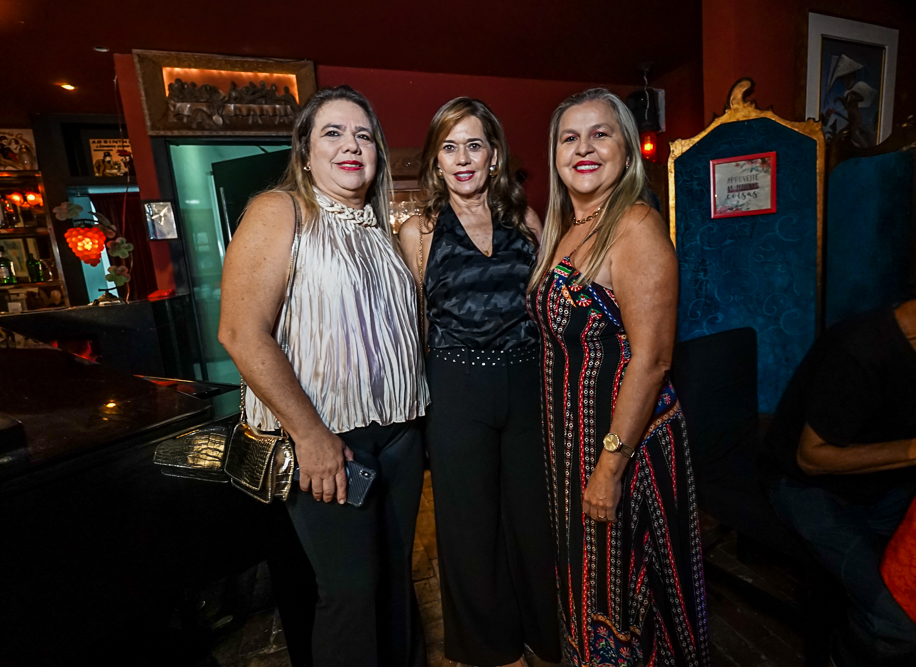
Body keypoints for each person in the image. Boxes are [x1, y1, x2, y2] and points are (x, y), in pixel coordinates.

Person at [218, 85, 429, 667]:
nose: (351, 145)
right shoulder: (279, 211)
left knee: (393, 584)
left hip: (400, 438)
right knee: (350, 593)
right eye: (332, 133)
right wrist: (311, 438)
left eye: (363, 134)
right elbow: (240, 333)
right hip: (331, 444)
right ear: (305, 151)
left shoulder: (379, 229)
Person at [527, 87, 711, 667]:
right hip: (574, 444)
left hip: (623, 446)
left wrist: (609, 464)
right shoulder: (569, 226)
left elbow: (653, 360)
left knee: (627, 592)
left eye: (600, 133)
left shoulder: (635, 228)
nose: (584, 148)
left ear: (627, 151)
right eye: (569, 136)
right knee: (587, 581)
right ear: (556, 154)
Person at [761, 234, 916, 667]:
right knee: (908, 626)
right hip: (809, 490)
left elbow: (906, 421)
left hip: (878, 488)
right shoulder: (861, 350)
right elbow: (814, 458)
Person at [397, 97, 561, 667]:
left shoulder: (525, 220)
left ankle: (548, 633)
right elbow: (414, 323)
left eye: (474, 145)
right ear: (435, 161)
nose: (462, 158)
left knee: (534, 519)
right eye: (449, 146)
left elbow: (546, 309)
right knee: (469, 526)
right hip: (456, 389)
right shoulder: (418, 229)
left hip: (526, 386)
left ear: (494, 157)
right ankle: (489, 646)